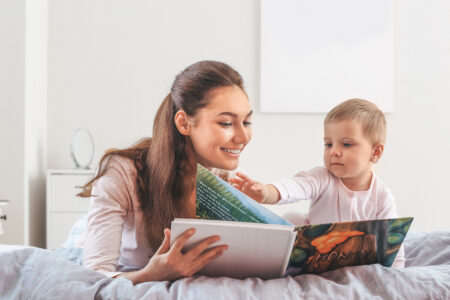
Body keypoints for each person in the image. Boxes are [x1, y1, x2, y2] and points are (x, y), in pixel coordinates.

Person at [77, 60, 253, 283]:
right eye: (227, 123)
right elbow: (94, 277)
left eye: (246, 122)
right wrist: (151, 274)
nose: (244, 137)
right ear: (184, 123)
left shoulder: (223, 179)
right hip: (112, 253)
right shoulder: (122, 172)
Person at [230, 98, 405, 268]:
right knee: (291, 219)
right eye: (328, 144)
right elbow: (296, 186)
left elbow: (392, 241)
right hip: (314, 254)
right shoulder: (323, 177)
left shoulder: (382, 196)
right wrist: (267, 192)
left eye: (346, 144)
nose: (334, 151)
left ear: (375, 152)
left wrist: (396, 275)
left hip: (355, 260)